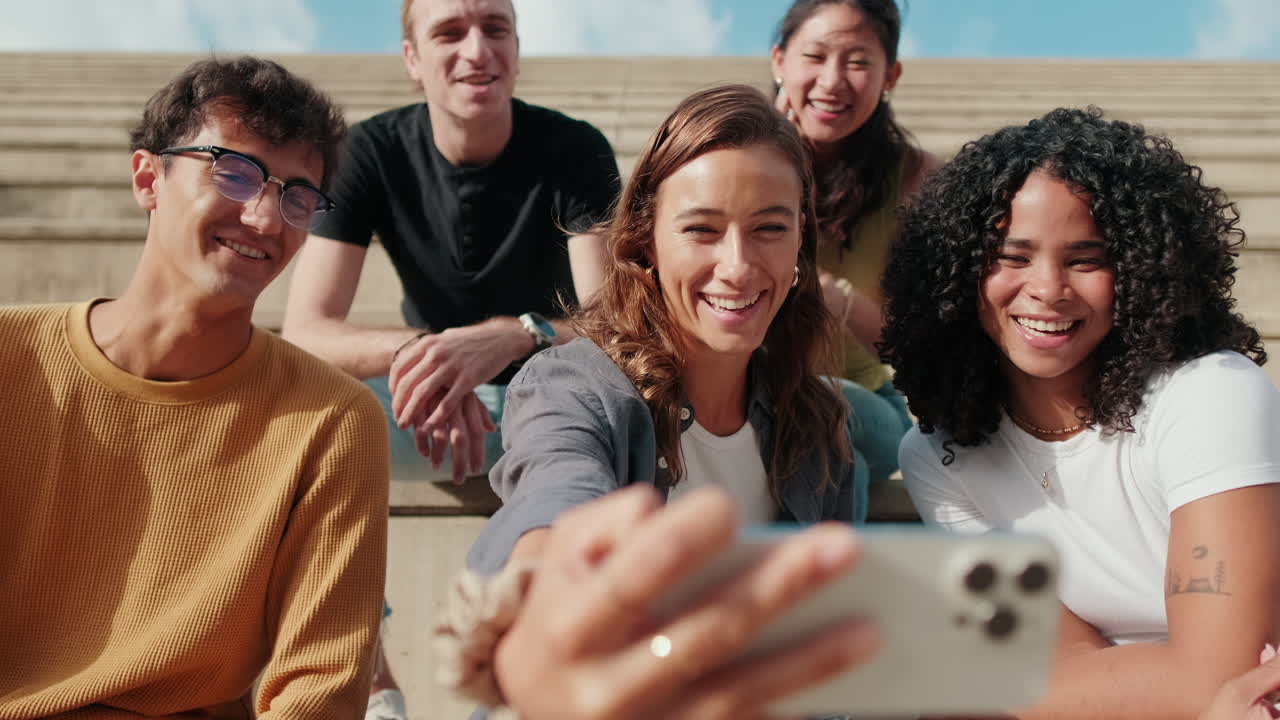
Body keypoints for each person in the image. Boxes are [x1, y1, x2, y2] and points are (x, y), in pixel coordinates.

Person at [450, 82, 866, 717]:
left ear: (800, 240)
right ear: (645, 237)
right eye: (701, 229)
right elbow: (554, 495)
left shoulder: (819, 422)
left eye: (768, 228)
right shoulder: (571, 384)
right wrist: (546, 596)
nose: (737, 265)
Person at [0, 57, 388, 717]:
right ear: (148, 178)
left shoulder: (333, 419)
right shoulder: (13, 362)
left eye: (298, 195)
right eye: (235, 172)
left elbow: (320, 689)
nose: (268, 219)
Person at [881, 107, 1280, 718]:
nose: (1047, 288)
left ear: (1142, 272)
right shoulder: (940, 456)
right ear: (957, 275)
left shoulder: (1209, 395)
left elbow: (1219, 676)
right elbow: (1062, 656)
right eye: (1012, 257)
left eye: (1085, 259)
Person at [280, 0, 619, 712]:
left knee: (619, 419)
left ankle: (514, 686)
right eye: (448, 32)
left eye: (495, 28)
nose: (476, 50)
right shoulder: (369, 152)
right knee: (288, 410)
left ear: (518, 50)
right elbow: (307, 330)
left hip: (555, 395)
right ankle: (373, 689)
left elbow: (614, 323)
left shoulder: (574, 149)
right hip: (426, 403)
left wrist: (512, 334)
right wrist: (433, 359)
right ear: (412, 60)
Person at [770, 0, 943, 493]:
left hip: (862, 404)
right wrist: (770, 159)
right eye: (816, 56)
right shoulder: (732, 159)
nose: (832, 81)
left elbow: (923, 352)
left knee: (818, 411)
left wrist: (835, 298)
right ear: (780, 61)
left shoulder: (918, 179)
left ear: (891, 75)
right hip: (737, 398)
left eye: (859, 61)